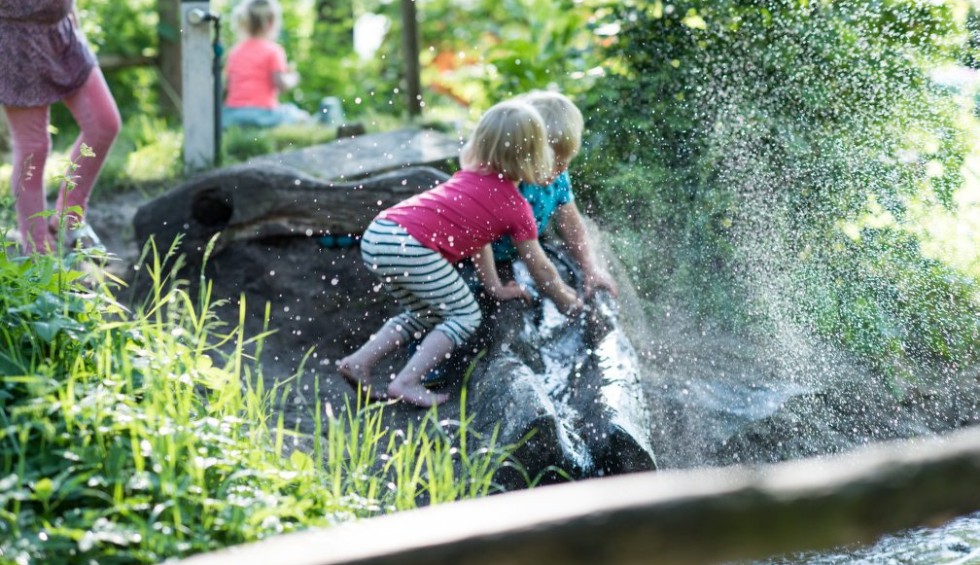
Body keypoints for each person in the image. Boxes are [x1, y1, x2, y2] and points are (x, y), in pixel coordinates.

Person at [338, 100, 583, 407]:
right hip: (410, 246)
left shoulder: (471, 178)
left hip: (380, 235)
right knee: (465, 315)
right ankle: (406, 382)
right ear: (534, 156)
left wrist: (494, 287)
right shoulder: (516, 207)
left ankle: (359, 362)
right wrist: (565, 299)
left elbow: (479, 240)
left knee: (425, 314)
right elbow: (539, 265)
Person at [0, 0, 121, 255]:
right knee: (33, 148)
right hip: (14, 42)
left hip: (62, 32)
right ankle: (39, 255)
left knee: (104, 123)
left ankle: (69, 219)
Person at [492, 90, 618, 298]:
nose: (562, 169)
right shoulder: (509, 182)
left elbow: (571, 222)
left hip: (526, 249)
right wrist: (560, 295)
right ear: (524, 153)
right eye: (554, 162)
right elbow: (530, 254)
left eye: (566, 160)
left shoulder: (557, 176)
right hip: (490, 258)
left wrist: (590, 268)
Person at [223, 0, 310, 129]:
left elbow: (227, 85)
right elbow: (281, 84)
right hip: (263, 114)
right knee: (301, 116)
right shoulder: (273, 51)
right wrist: (292, 78)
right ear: (270, 23)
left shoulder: (234, 52)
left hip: (233, 115)